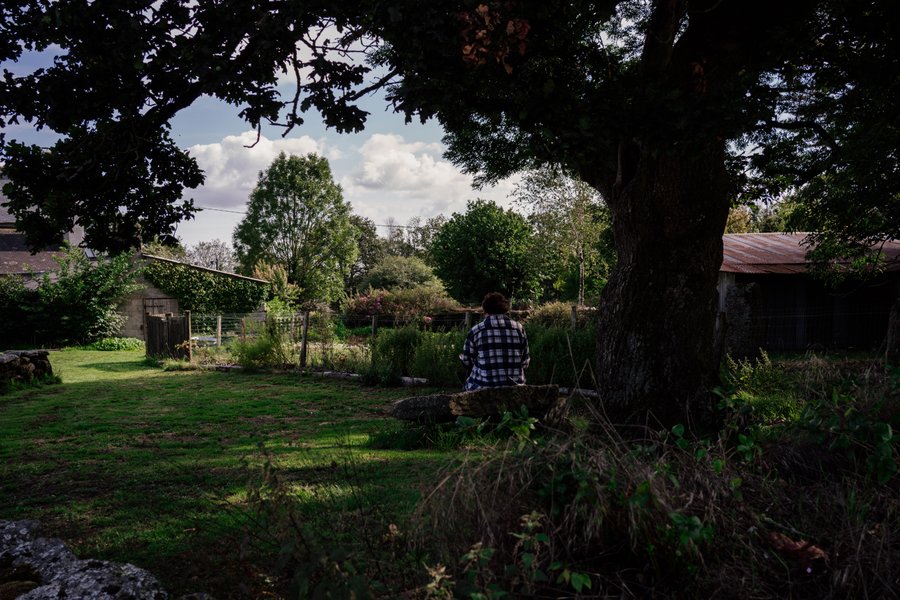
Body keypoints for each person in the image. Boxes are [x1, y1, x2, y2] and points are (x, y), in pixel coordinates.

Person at [459, 292, 530, 390]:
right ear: (505, 309)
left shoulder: (476, 331)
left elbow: (466, 361)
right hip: (515, 387)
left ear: (485, 310)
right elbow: (525, 363)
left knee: (469, 380)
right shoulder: (519, 329)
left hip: (484, 388)